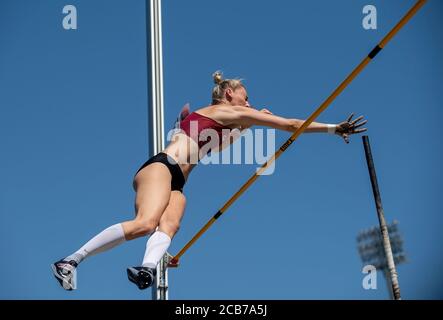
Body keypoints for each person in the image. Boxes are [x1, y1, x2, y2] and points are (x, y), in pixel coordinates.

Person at [51, 71, 367, 291]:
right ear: (230, 94)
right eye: (246, 97)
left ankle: (146, 268)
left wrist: (247, 126)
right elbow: (291, 124)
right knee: (145, 224)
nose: (250, 102)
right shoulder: (225, 111)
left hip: (176, 181)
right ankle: (69, 261)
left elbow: (217, 144)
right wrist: (332, 128)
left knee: (170, 225)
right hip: (161, 168)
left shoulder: (221, 118)